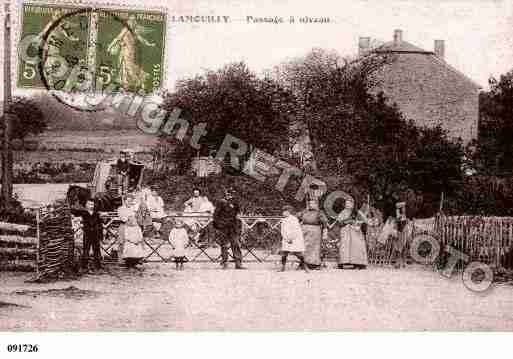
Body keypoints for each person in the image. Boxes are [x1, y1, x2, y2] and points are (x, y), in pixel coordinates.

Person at [213, 188, 245, 269]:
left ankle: (238, 263)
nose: (230, 195)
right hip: (223, 227)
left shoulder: (235, 202)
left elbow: (238, 213)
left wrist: (238, 225)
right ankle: (224, 262)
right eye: (228, 194)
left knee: (235, 244)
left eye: (231, 194)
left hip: (233, 227)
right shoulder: (221, 202)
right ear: (226, 194)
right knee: (224, 245)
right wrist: (219, 225)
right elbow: (216, 215)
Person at [337, 198, 368, 269]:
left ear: (353, 204)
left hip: (355, 231)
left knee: (357, 246)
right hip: (345, 231)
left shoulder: (357, 212)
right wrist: (346, 221)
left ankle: (358, 263)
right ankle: (344, 262)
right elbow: (339, 222)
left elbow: (365, 220)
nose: (347, 205)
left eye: (349, 204)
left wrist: (358, 223)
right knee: (345, 246)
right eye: (346, 204)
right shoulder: (343, 212)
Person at [298, 199, 328, 270]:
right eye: (310, 204)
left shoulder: (319, 212)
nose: (311, 205)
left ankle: (314, 264)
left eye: (313, 204)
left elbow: (324, 222)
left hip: (315, 231)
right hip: (304, 231)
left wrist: (325, 231)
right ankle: (304, 263)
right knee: (304, 247)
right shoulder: (304, 211)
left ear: (316, 205)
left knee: (314, 248)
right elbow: (298, 218)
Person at [280, 205, 308, 272]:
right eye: (283, 212)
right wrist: (285, 238)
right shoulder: (283, 220)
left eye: (284, 212)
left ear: (288, 212)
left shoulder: (294, 219)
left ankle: (305, 266)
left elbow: (296, 230)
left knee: (298, 254)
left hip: (294, 239)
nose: (283, 213)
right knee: (284, 253)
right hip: (286, 239)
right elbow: (282, 230)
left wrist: (291, 238)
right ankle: (283, 267)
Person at [78, 199, 103, 273]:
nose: (91, 206)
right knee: (86, 249)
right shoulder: (84, 213)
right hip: (87, 234)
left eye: (92, 204)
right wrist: (81, 224)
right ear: (86, 205)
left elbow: (100, 224)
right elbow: (80, 222)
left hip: (96, 234)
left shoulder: (96, 214)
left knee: (97, 250)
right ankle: (84, 266)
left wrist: (101, 234)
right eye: (89, 204)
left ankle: (97, 267)